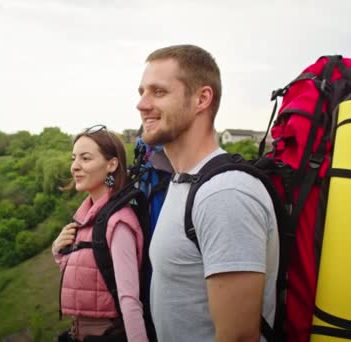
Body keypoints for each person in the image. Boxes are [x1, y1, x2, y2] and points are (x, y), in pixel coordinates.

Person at [136, 44, 279, 341]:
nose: (142, 104)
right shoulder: (183, 181)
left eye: (158, 92)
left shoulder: (224, 194)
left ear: (202, 98)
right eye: (142, 92)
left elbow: (238, 338)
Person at [52, 125, 148, 342]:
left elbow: (129, 300)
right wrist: (58, 252)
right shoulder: (88, 219)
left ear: (111, 164)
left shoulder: (118, 222)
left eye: (85, 158)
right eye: (74, 158)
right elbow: (90, 277)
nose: (75, 167)